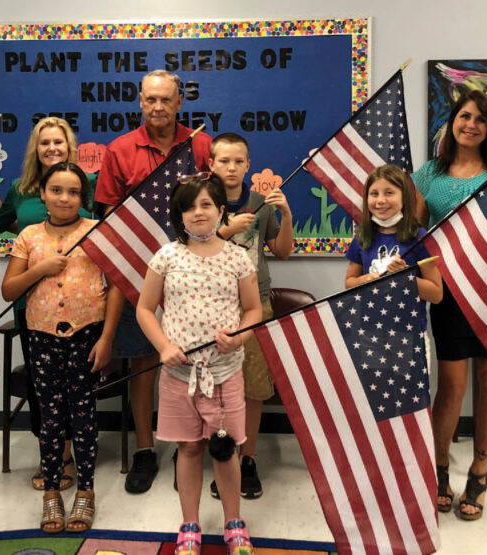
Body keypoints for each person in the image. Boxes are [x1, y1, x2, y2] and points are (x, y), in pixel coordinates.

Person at [94, 69, 212, 493]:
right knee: (143, 361)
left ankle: (187, 447)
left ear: (179, 102)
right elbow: (108, 215)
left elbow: (215, 205)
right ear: (140, 102)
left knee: (192, 357)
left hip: (194, 274)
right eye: (151, 99)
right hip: (138, 273)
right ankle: (145, 448)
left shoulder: (200, 145)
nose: (158, 107)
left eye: (166, 99)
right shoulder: (120, 150)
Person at [136, 173, 262, 555]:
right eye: (189, 207)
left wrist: (239, 337)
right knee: (189, 448)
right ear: (179, 216)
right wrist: (163, 346)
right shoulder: (166, 256)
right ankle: (189, 524)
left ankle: (234, 523)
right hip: (179, 376)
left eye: (206, 204)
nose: (198, 212)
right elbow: (145, 309)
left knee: (226, 450)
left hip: (225, 374)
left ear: (221, 210)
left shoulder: (238, 257)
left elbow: (253, 310)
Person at [1, 162, 123, 533]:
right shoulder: (29, 236)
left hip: (87, 335)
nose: (65, 198)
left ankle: (86, 489)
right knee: (51, 418)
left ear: (83, 197)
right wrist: (40, 269)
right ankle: (52, 491)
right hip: (41, 336)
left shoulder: (97, 232)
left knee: (83, 415)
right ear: (42, 194)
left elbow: (117, 286)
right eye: (56, 190)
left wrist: (107, 338)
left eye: (73, 192)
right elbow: (9, 290)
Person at [412, 90, 487, 520]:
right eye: (465, 116)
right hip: (449, 291)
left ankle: (479, 472)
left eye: (481, 119)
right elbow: (415, 231)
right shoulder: (429, 173)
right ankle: (439, 468)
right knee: (452, 385)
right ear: (453, 121)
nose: (471, 124)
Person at [0, 116, 97, 491]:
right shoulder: (19, 189)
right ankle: (51, 457)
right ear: (35, 149)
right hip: (34, 310)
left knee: (78, 392)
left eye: (59, 141)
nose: (52, 148)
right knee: (44, 390)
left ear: (70, 147)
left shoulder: (89, 183)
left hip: (81, 310)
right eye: (45, 142)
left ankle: (71, 456)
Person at [202, 132, 293, 500]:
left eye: (238, 161)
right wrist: (225, 231)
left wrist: (285, 214)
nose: (231, 167)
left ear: (248, 166)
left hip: (256, 304)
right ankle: (221, 457)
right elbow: (188, 248)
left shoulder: (260, 204)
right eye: (224, 160)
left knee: (253, 387)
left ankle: (248, 457)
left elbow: (283, 251)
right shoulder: (201, 200)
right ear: (211, 164)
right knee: (217, 387)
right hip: (211, 305)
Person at [344, 164, 442, 299]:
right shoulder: (362, 236)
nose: (381, 200)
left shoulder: (420, 237)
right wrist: (365, 280)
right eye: (374, 194)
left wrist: (405, 277)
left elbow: (436, 295)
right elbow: (349, 283)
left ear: (404, 197)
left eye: (389, 193)